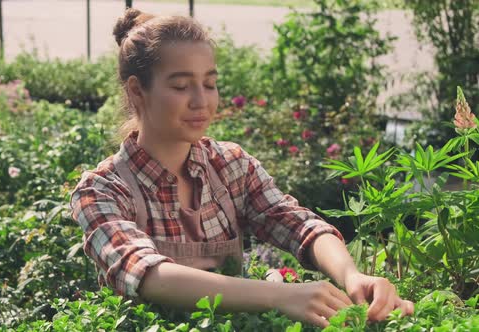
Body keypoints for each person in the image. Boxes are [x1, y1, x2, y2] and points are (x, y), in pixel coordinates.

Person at [70, 8, 414, 328]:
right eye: (180, 86)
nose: (201, 101)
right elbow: (149, 275)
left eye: (209, 83)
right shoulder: (102, 189)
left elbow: (298, 224)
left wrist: (351, 275)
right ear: (137, 91)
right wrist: (280, 296)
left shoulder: (230, 165)